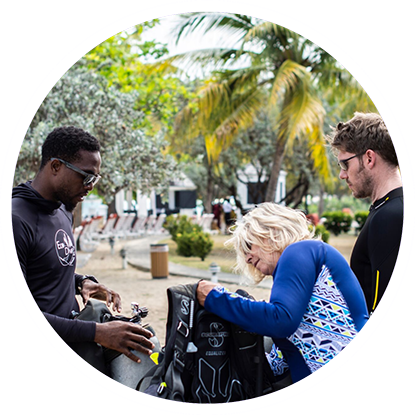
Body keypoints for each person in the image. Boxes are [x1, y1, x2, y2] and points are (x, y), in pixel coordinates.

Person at [12, 126, 155, 376]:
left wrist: (81, 282)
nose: (90, 186)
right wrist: (98, 333)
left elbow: (43, 268)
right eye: (86, 176)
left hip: (73, 343)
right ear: (55, 166)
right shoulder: (14, 220)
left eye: (95, 179)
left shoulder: (64, 210)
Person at [196, 202, 368, 385]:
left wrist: (215, 297)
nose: (247, 257)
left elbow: (280, 320)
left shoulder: (300, 250)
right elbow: (276, 366)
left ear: (272, 233)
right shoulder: (302, 274)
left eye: (248, 245)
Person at [327, 112, 404, 315]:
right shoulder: (391, 208)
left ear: (369, 158)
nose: (342, 174)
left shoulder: (390, 217)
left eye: (345, 164)